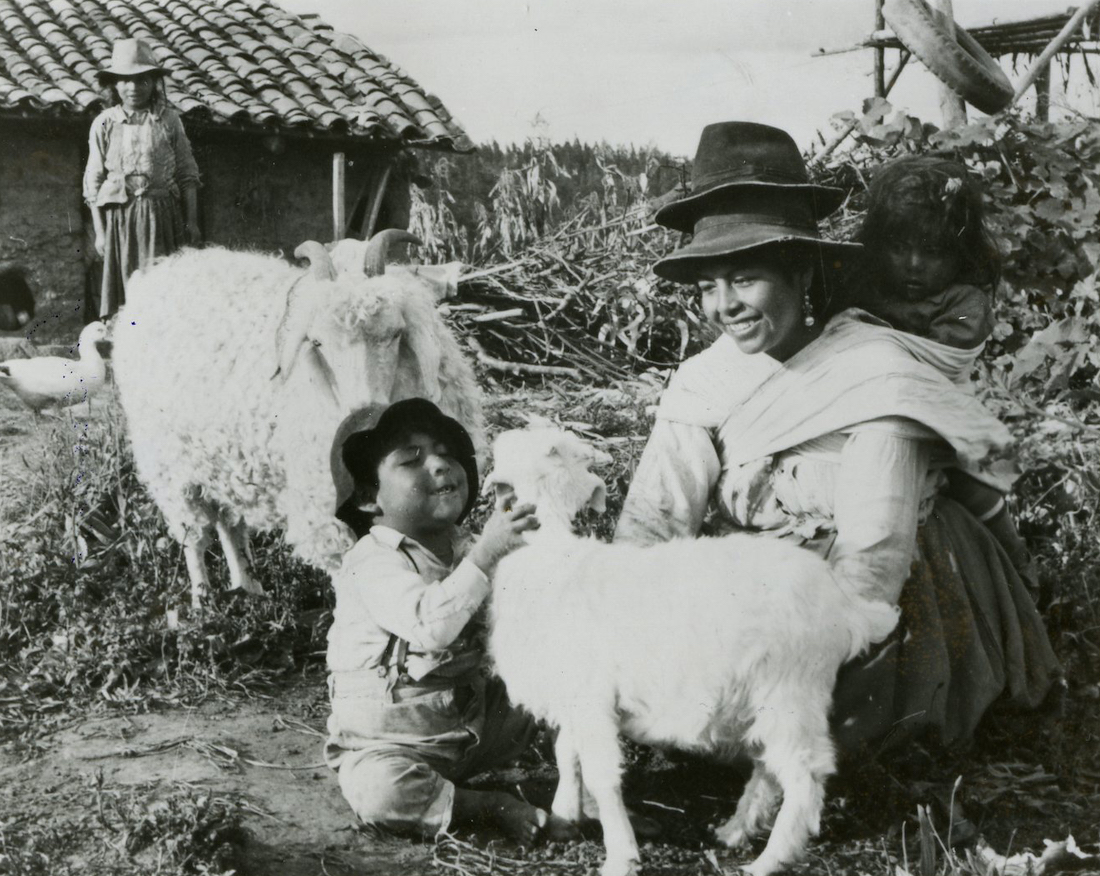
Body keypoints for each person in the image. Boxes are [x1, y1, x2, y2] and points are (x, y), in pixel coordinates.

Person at [616, 122, 1060, 756]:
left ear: (800, 272)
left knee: (803, 733)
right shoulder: (703, 381)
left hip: (866, 612)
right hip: (754, 589)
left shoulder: (876, 369)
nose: (724, 306)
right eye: (707, 287)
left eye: (744, 278)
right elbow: (655, 520)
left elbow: (873, 560)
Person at [324, 398, 571, 843]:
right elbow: (430, 625)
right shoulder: (372, 562)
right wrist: (488, 554)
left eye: (445, 453)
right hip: (393, 745)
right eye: (411, 460)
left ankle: (588, 786)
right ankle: (484, 804)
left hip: (475, 724)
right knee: (379, 793)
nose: (440, 464)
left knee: (566, 682)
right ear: (367, 499)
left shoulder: (466, 547)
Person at [851, 155, 1034, 582]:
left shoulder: (965, 302)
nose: (913, 264)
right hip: (876, 407)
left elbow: (936, 364)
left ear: (960, 252)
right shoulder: (865, 288)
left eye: (932, 252)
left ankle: (1018, 564)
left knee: (972, 485)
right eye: (898, 247)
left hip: (943, 413)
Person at [83, 38, 201, 319]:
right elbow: (93, 181)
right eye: (125, 81)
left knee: (161, 287)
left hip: (162, 217)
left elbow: (187, 175)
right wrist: (100, 232)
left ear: (153, 83)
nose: (133, 88)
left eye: (141, 80)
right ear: (114, 85)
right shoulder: (105, 123)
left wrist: (192, 222)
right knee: (124, 290)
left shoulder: (169, 120)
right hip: (119, 220)